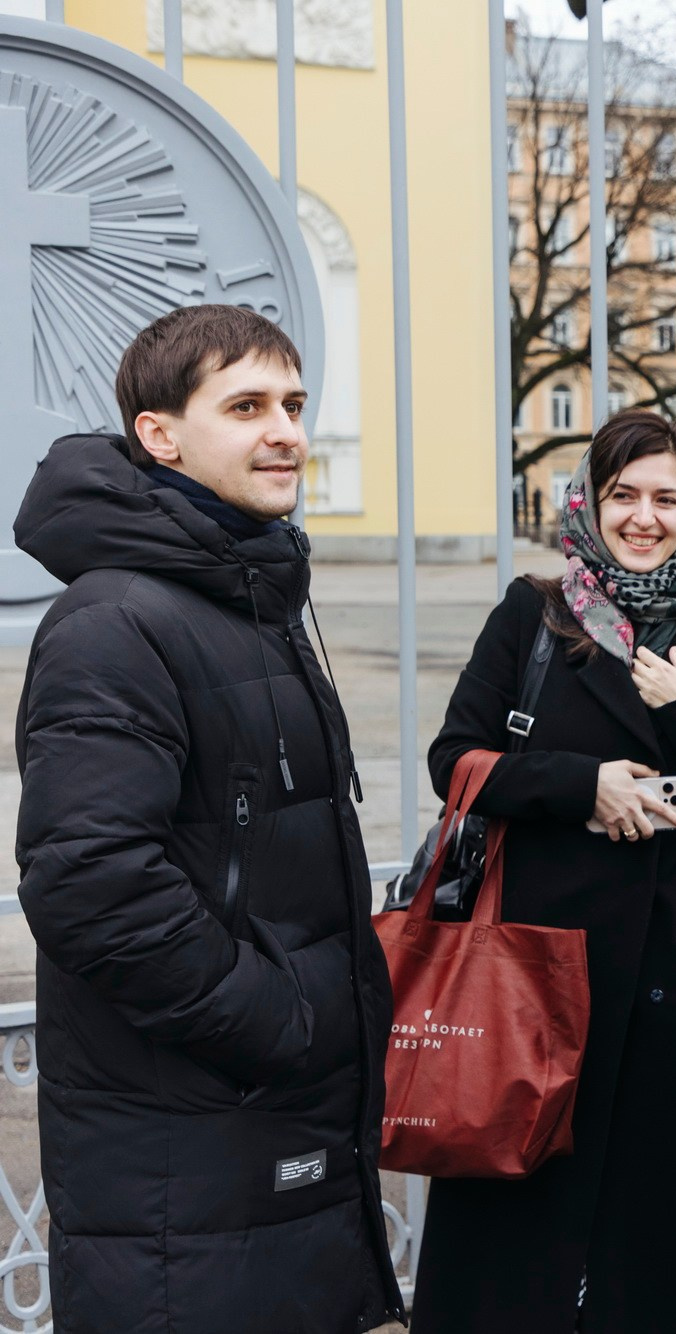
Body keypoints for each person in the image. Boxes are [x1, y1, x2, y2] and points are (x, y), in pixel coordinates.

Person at [12, 305, 401, 1333]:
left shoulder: (242, 598)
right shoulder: (115, 622)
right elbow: (90, 884)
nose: (284, 430)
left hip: (268, 1132)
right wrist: (280, 1017)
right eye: (245, 406)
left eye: (292, 403)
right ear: (159, 434)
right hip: (186, 1146)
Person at [413, 410, 676, 1334]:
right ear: (591, 502)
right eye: (624, 496)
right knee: (514, 1238)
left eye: (665, 499)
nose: (643, 518)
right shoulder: (536, 612)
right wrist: (584, 787)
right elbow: (453, 762)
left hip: (667, 976)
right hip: (534, 973)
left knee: (658, 1243)